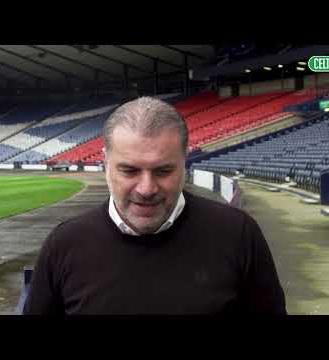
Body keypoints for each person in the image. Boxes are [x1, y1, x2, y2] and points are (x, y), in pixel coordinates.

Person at [23, 97, 286, 315]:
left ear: (185, 163)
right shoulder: (65, 244)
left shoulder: (238, 234)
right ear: (106, 165)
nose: (146, 189)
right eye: (129, 171)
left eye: (163, 171)